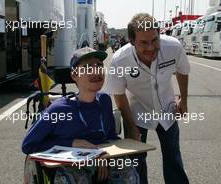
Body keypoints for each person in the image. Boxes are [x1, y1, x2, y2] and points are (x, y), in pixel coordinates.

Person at [22, 47, 139, 183]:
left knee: (128, 173)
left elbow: (110, 138)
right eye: (88, 67)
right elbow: (28, 145)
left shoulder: (104, 101)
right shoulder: (59, 110)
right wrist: (71, 143)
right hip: (70, 166)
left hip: (101, 160)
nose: (96, 71)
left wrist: (104, 156)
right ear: (74, 75)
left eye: (99, 66)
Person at [105, 13, 190, 184]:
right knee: (136, 159)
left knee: (173, 155)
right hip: (136, 110)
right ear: (131, 41)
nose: (151, 48)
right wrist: (130, 125)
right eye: (144, 42)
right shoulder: (120, 60)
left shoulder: (173, 47)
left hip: (167, 107)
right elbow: (119, 95)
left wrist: (184, 100)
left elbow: (183, 71)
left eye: (154, 40)